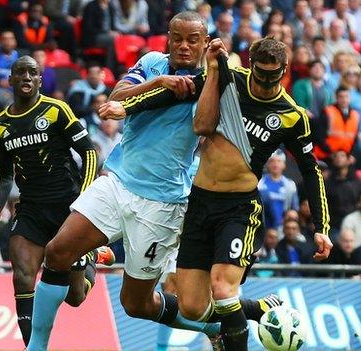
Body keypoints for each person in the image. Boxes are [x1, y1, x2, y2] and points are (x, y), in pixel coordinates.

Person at [28, 13, 280, 351]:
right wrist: (158, 83)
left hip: (161, 205)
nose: (184, 45)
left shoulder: (213, 86)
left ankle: (223, 321)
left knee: (136, 304)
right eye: (178, 38)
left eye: (193, 39)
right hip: (117, 183)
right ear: (168, 38)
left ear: (205, 43)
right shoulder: (151, 63)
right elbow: (118, 95)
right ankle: (36, 347)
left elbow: (208, 132)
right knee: (56, 252)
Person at [98, 35, 332, 350]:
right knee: (193, 307)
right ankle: (257, 309)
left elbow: (310, 170)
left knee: (222, 290)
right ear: (251, 65)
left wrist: (322, 228)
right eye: (260, 74)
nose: (264, 83)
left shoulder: (292, 115)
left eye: (272, 77)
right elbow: (179, 92)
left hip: (239, 209)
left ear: (285, 70)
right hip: (201, 202)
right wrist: (125, 106)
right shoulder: (228, 79)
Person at [0, 56, 103, 348]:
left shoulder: (56, 110)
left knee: (75, 298)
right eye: (20, 72)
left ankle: (94, 258)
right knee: (23, 277)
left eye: (32, 73)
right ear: (10, 80)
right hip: (31, 210)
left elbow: (89, 153)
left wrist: (84, 199)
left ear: (40, 80)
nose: (26, 77)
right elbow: (3, 171)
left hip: (67, 207)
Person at [258, 151, 299, 233]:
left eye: (278, 161)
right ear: (268, 164)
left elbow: (294, 209)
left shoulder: (290, 185)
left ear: (284, 165)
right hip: (262, 227)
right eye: (272, 161)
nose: (275, 164)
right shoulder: (259, 184)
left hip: (283, 229)